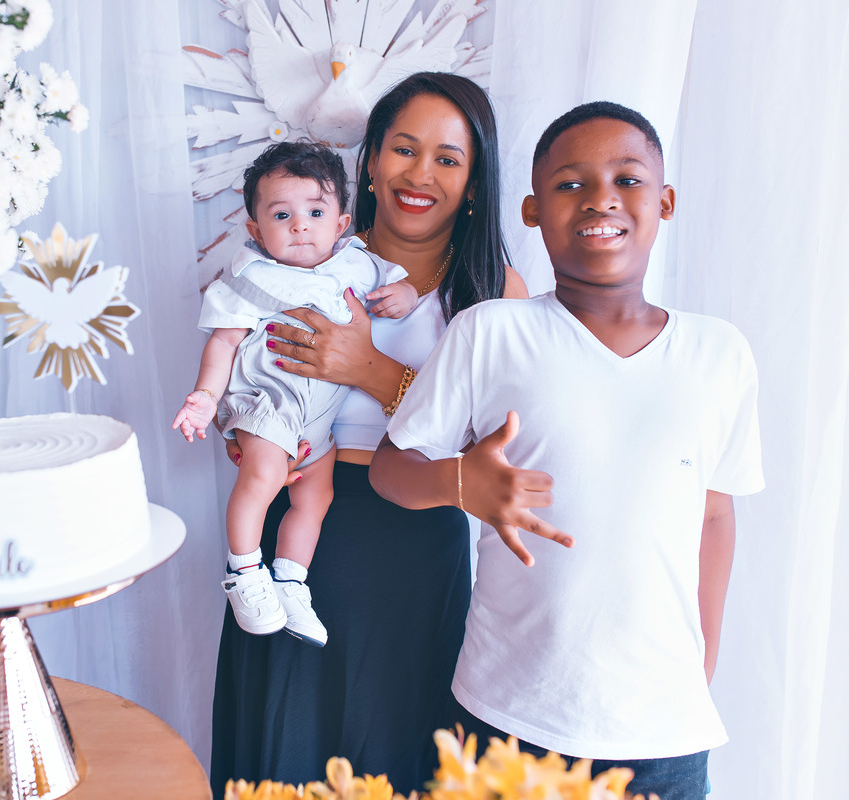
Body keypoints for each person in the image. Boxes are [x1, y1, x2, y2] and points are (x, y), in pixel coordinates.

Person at [371, 101, 764, 800]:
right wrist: (461, 482)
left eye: (627, 179)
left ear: (665, 201)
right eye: (571, 183)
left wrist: (701, 664)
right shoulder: (490, 332)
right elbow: (390, 469)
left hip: (664, 731)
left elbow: (713, 514)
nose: (600, 198)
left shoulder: (720, 353)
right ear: (532, 210)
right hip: (508, 715)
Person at [209, 72, 527, 795]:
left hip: (418, 541)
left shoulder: (496, 289)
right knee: (284, 750)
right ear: (372, 162)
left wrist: (370, 369)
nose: (420, 175)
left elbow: (491, 447)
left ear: (474, 183)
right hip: (301, 527)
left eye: (448, 159)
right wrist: (243, 422)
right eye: (404, 150)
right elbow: (238, 356)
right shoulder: (302, 254)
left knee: (397, 747)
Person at [174, 141, 417, 647]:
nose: (300, 226)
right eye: (282, 215)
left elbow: (396, 283)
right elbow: (224, 342)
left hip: (317, 421)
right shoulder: (251, 277)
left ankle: (290, 581)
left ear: (342, 223)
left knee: (315, 495)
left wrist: (405, 294)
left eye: (315, 213)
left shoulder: (357, 264)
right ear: (256, 230)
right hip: (267, 401)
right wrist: (204, 396)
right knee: (264, 477)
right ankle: (244, 572)